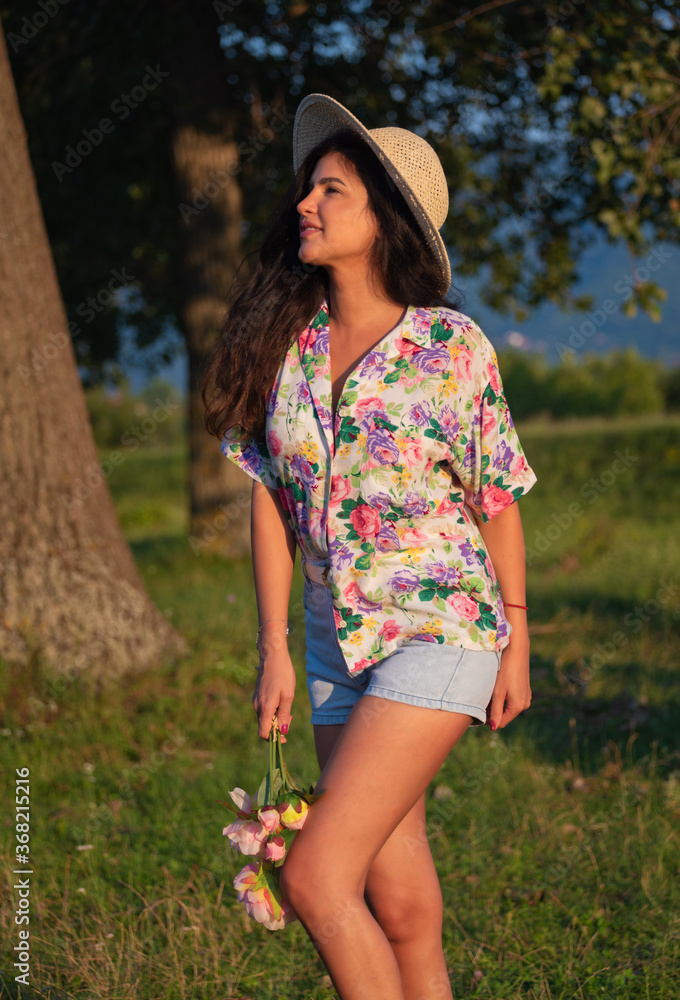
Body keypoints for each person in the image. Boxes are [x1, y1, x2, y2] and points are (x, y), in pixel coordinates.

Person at [203, 93, 537, 1000]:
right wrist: (272, 649)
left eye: (332, 192)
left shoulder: (451, 346)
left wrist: (518, 633)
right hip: (328, 643)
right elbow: (270, 500)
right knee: (397, 893)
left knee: (315, 877)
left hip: (441, 631)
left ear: (385, 220)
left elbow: (496, 496)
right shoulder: (288, 347)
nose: (305, 204)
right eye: (310, 188)